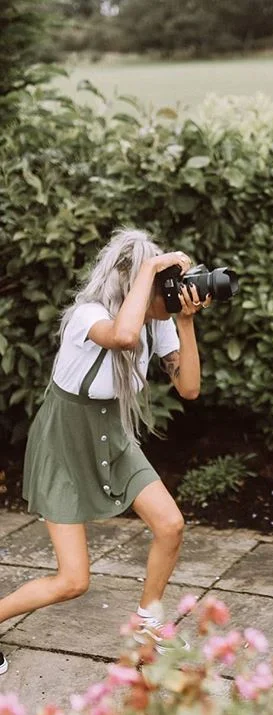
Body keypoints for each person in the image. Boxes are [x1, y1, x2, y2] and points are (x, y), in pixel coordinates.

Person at [0, 228, 209, 675]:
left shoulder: (160, 321)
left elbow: (189, 387)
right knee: (73, 581)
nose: (169, 298)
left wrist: (186, 321)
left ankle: (147, 622)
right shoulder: (88, 315)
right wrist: (151, 268)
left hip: (111, 436)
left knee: (170, 525)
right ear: (135, 284)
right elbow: (124, 336)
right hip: (64, 441)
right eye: (161, 288)